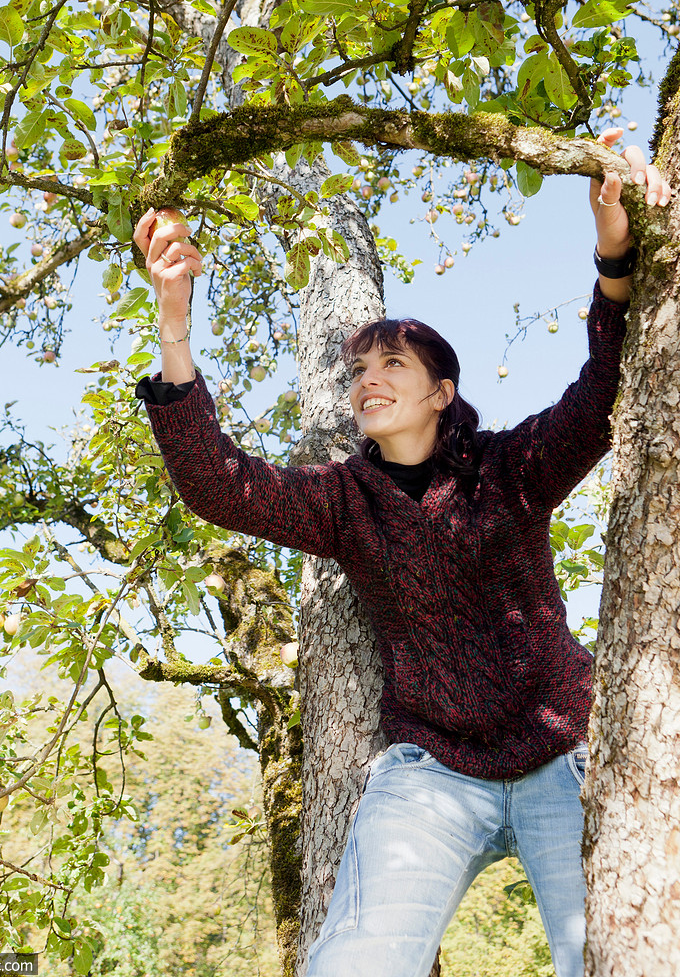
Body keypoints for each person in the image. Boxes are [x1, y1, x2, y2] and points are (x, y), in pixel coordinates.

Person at [132, 130, 671, 977]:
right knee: (358, 962)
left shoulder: (512, 469)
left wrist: (613, 259)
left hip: (562, 749)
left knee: (613, 956)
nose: (367, 380)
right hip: (431, 774)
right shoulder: (343, 501)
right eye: (357, 372)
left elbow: (604, 391)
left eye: (392, 363)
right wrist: (173, 325)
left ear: (441, 392)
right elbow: (217, 483)